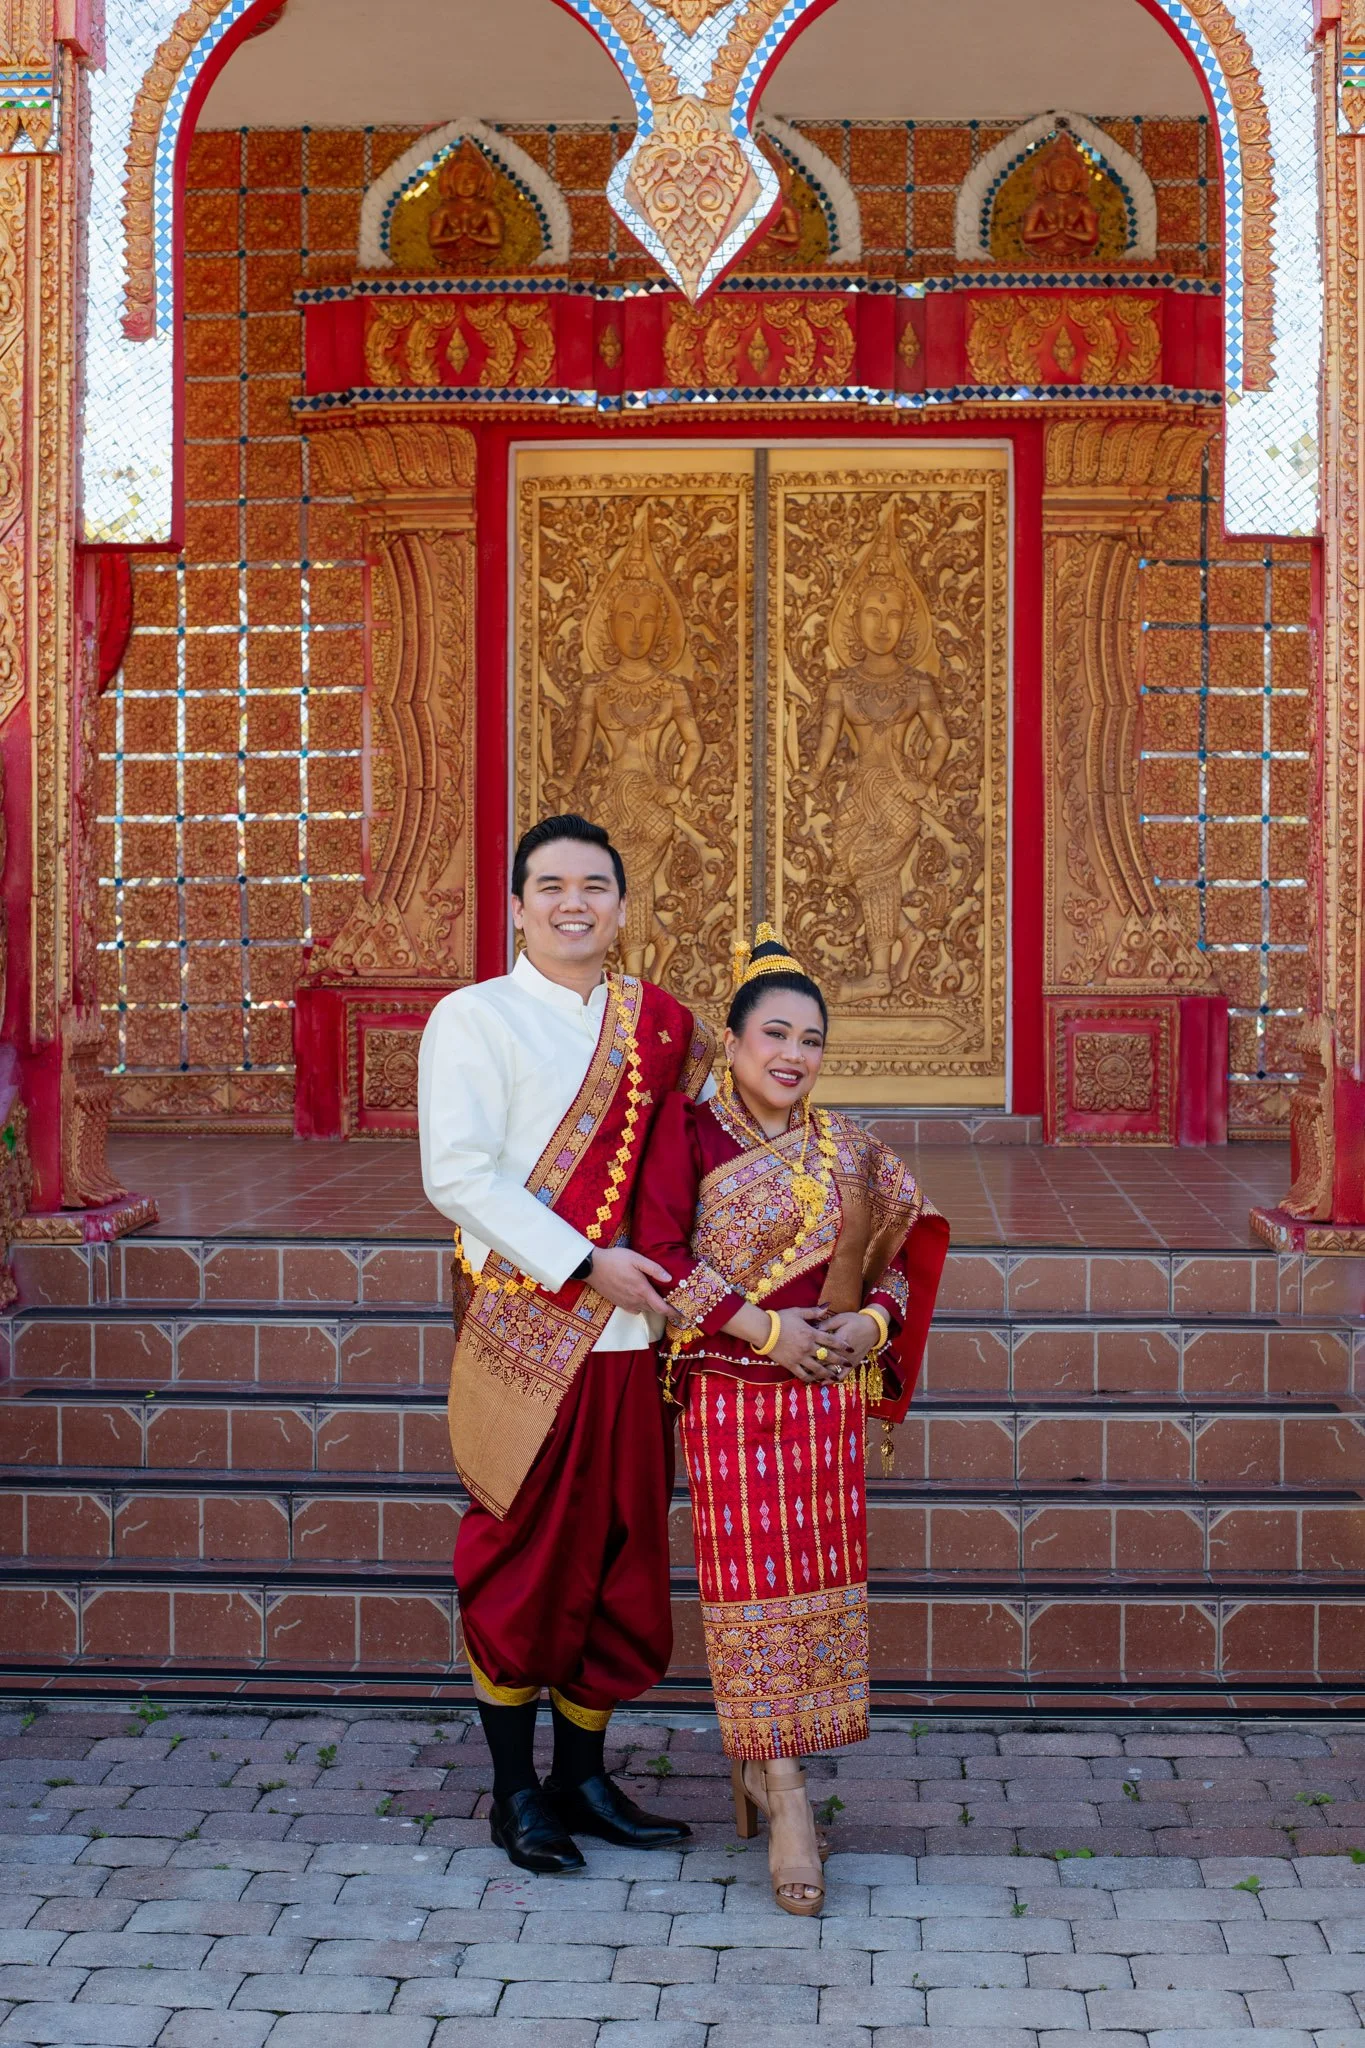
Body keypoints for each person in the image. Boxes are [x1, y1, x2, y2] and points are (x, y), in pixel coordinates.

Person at [418, 814, 716, 1875]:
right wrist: (587, 1261)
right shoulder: (473, 1017)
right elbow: (456, 1174)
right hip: (525, 1323)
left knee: (621, 1553)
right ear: (515, 904)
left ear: (623, 907)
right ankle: (513, 1792)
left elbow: (700, 1155)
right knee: (522, 1554)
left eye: (595, 883)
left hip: (638, 1338)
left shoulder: (660, 1025)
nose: (573, 900)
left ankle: (582, 1777)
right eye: (550, 884)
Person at [632, 925, 949, 1914]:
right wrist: (764, 1325)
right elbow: (656, 1253)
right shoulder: (683, 1134)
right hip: (730, 1393)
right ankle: (788, 1791)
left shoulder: (851, 1146)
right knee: (748, 1598)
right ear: (730, 1039)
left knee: (814, 1596)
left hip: (823, 1404)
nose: (793, 1054)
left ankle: (770, 1764)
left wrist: (873, 1316)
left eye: (810, 1038)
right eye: (773, 1032)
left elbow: (907, 1245)